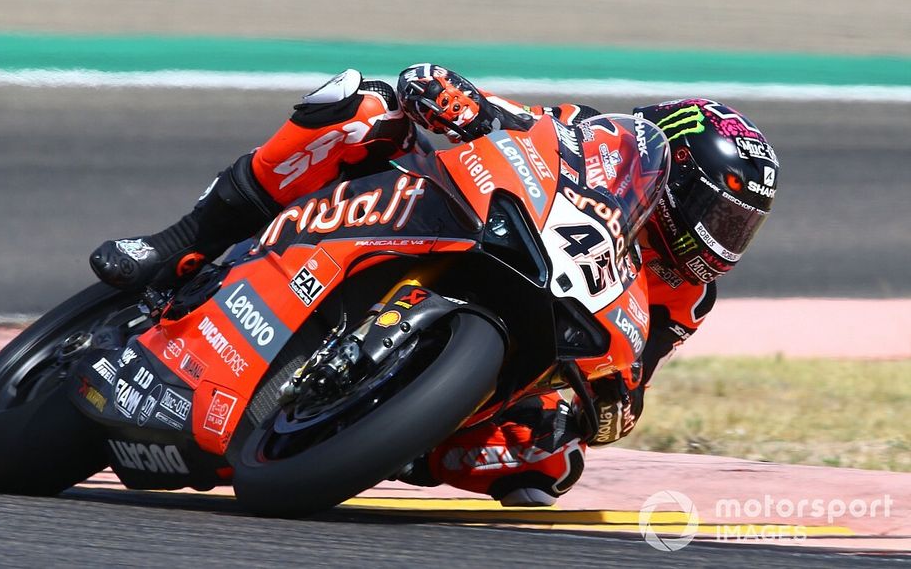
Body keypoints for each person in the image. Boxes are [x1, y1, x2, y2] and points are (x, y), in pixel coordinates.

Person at [90, 64, 779, 506]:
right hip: (447, 205)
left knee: (549, 468)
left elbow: (630, 384)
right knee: (359, 107)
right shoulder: (597, 140)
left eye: (738, 226)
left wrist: (601, 412)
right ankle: (177, 240)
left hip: (530, 327)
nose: (721, 238)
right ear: (673, 177)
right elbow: (520, 125)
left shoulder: (687, 296)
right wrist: (459, 101)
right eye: (718, 213)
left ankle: (397, 440)